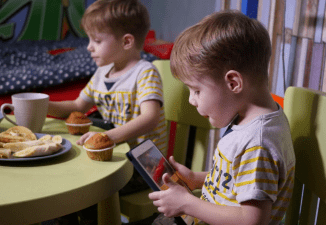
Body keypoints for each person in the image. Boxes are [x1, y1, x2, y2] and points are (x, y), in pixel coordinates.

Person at [146, 10, 295, 225]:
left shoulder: (257, 144)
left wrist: (188, 203)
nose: (191, 100)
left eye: (196, 90)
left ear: (233, 82)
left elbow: (252, 220)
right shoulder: (253, 121)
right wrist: (196, 179)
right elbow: (242, 183)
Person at [45, 0, 167, 224]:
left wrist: (106, 137)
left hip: (146, 165)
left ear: (127, 41)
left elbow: (150, 118)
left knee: (80, 187)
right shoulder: (102, 73)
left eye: (97, 40)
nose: (89, 47)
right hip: (113, 157)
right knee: (63, 178)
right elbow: (76, 106)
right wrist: (41, 103)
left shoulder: (144, 72)